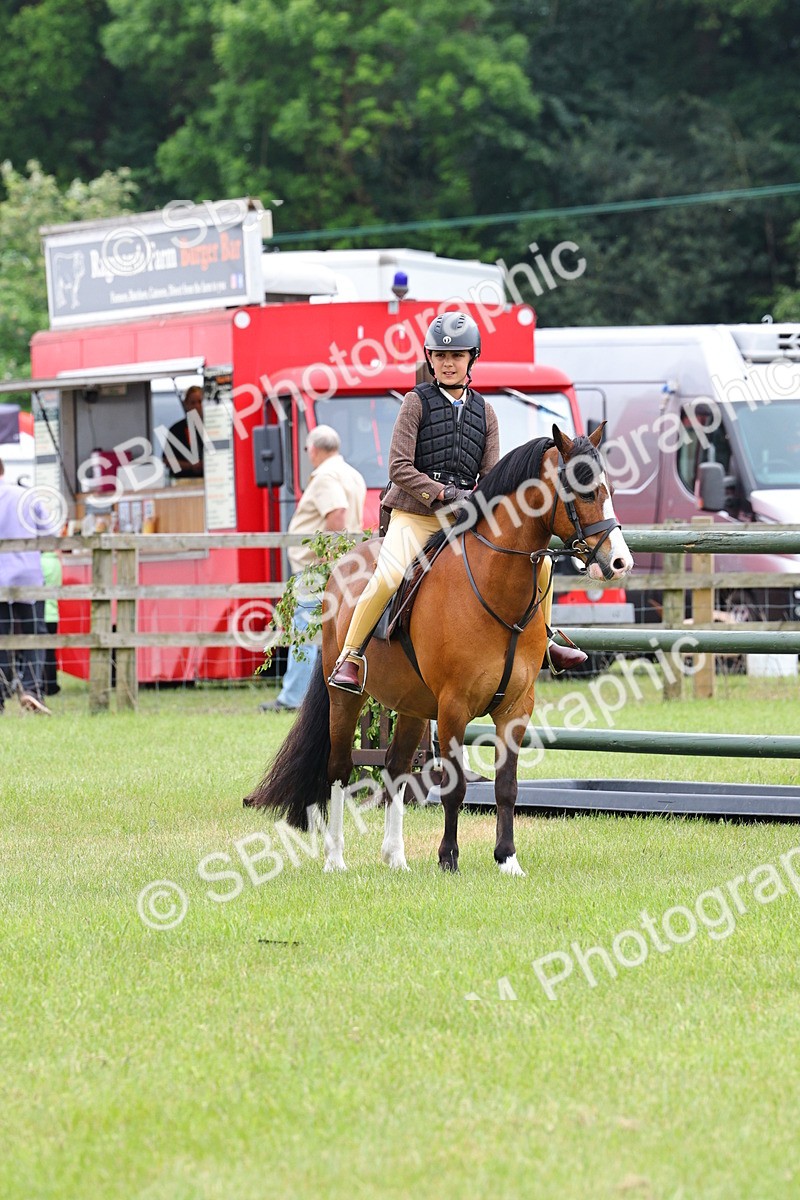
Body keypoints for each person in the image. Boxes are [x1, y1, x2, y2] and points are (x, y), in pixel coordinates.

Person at [328, 312, 587, 692]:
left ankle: (545, 640)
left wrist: (483, 503)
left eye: (458, 356)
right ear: (430, 359)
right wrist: (444, 493)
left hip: (464, 519)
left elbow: (492, 476)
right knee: (387, 574)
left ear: (472, 359)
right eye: (441, 356)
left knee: (541, 563)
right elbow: (399, 467)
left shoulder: (486, 412)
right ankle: (350, 656)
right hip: (415, 514)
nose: (449, 363)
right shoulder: (415, 403)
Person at [261, 425, 367, 712]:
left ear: (314, 450)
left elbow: (337, 515)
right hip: (347, 566)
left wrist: (329, 556)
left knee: (304, 633)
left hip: (318, 570)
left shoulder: (325, 477)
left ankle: (293, 697)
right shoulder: (352, 474)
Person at [0, 457, 51, 714]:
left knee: (1, 636)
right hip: (27, 575)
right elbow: (49, 531)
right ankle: (32, 689)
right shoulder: (26, 496)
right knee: (34, 633)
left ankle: (0, 693)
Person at [163, 385, 205, 479]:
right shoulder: (176, 430)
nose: (197, 406)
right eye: (192, 403)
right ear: (186, 405)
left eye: (200, 402)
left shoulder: (213, 427)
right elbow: (167, 460)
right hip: (182, 481)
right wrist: (190, 466)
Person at [41, 546, 62, 695]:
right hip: (54, 613)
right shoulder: (57, 563)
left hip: (42, 612)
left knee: (40, 652)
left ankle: (43, 685)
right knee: (51, 653)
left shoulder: (40, 562)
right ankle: (52, 684)